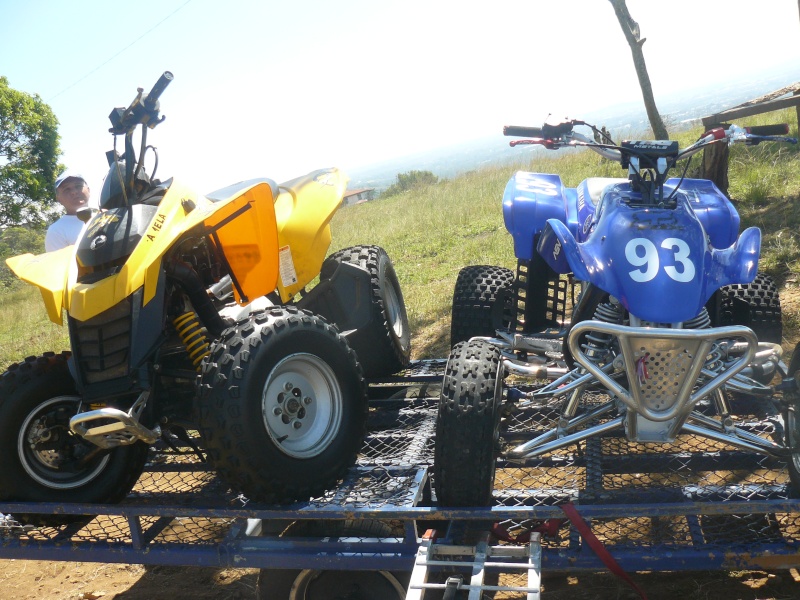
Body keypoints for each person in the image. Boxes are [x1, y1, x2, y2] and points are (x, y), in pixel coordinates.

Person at [45, 171, 90, 252]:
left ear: (88, 190)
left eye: (78, 186)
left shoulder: (104, 215)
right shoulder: (56, 230)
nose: (74, 192)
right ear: (58, 199)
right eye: (66, 189)